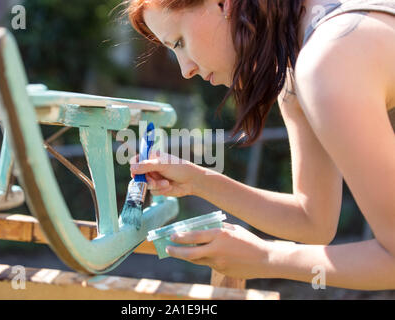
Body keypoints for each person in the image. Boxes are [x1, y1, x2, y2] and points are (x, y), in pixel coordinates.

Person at [124, 0, 395, 290]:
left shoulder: (328, 59)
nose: (185, 70)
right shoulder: (300, 70)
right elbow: (313, 222)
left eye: (178, 42)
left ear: (222, 4)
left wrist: (266, 257)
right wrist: (197, 180)